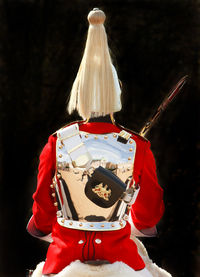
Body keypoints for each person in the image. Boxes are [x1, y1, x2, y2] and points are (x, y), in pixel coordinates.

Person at [27, 8, 169, 277]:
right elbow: (149, 215)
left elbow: (43, 213)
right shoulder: (137, 147)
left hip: (63, 258)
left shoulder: (57, 143)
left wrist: (42, 225)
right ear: (116, 94)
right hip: (123, 258)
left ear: (78, 93)